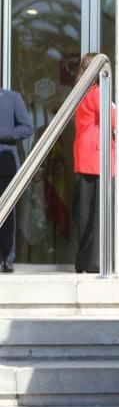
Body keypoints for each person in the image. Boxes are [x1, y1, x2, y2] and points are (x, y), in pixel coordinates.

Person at [71, 53, 116, 274]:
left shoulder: (80, 92)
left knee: (85, 214)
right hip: (98, 158)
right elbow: (114, 119)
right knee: (99, 215)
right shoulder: (98, 93)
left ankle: (83, 261)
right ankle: (95, 262)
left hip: (84, 157)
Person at [0, 88, 34, 272]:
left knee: (7, 214)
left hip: (5, 165)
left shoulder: (12, 98)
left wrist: (4, 133)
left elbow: (27, 127)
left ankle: (7, 258)